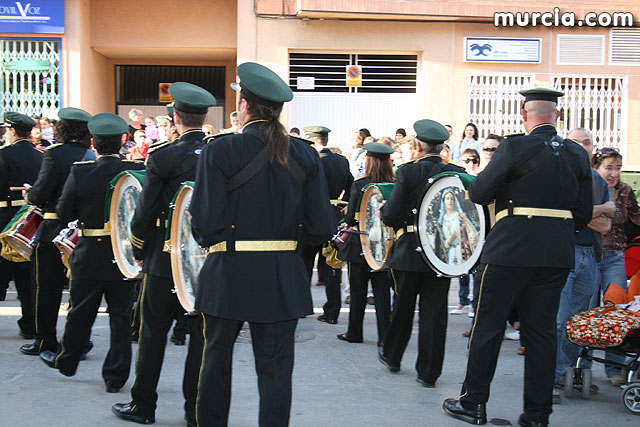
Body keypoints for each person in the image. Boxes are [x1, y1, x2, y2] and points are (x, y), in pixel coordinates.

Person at [190, 62, 333, 426]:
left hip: (228, 271)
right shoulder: (304, 154)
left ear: (245, 107)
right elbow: (320, 226)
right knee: (275, 371)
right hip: (282, 275)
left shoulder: (221, 150)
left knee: (216, 362)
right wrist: (289, 253)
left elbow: (205, 224)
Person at [443, 88, 593, 427]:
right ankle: (538, 416)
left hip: (510, 250)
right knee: (541, 334)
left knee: (488, 327)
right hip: (555, 254)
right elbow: (583, 213)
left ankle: (473, 404)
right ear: (556, 117)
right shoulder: (576, 153)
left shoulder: (514, 145)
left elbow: (480, 192)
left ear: (524, 116)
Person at [112, 82, 215, 426]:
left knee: (153, 333)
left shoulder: (162, 156)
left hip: (163, 258)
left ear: (176, 118)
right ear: (203, 118)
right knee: (201, 338)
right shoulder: (220, 154)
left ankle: (143, 405)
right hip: (207, 259)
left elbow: (144, 213)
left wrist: (137, 249)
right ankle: (194, 410)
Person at [38, 113, 144, 391]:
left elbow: (64, 212)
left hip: (89, 252)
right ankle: (115, 376)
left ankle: (68, 361)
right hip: (123, 255)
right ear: (123, 140)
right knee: (121, 316)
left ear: (94, 142)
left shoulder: (81, 171)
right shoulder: (135, 170)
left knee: (80, 310)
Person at [378, 119, 466, 388]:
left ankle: (393, 356)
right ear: (443, 147)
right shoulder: (456, 172)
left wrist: (383, 209)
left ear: (418, 146)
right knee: (435, 315)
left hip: (409, 252)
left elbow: (391, 215)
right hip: (441, 253)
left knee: (402, 308)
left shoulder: (408, 173)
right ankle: (429, 373)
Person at [19, 108, 95, 357]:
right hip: (80, 232)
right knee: (79, 291)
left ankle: (46, 342)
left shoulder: (54, 155)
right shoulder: (91, 155)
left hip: (52, 229)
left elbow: (40, 194)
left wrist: (29, 193)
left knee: (48, 289)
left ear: (62, 129)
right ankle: (78, 343)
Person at [552, 128, 615, 402]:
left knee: (579, 322)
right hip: (564, 254)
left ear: (593, 148)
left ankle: (570, 371)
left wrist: (584, 214)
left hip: (591, 255)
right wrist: (599, 209)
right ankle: (553, 374)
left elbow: (604, 226)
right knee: (558, 320)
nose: (583, 147)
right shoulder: (558, 177)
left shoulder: (598, 181)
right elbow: (565, 217)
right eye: (577, 142)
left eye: (587, 142)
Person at [589, 146, 640, 386]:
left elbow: (637, 217)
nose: (613, 174)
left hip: (615, 257)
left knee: (617, 312)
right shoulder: (588, 187)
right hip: (588, 254)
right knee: (586, 311)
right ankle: (581, 365)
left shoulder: (625, 191)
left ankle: (614, 368)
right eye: (608, 168)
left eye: (617, 168)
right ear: (596, 168)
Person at [337, 141, 394, 346]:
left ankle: (355, 332)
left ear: (369, 162)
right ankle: (384, 336)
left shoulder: (360, 185)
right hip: (384, 245)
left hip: (360, 244)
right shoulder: (394, 185)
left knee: (358, 291)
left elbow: (351, 219)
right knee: (382, 293)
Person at [301, 125, 353, 325]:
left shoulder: (307, 159)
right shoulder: (341, 161)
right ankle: (332, 311)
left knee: (304, 263)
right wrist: (342, 206)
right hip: (332, 216)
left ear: (311, 141)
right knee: (332, 266)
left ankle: (303, 306)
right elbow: (350, 185)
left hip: (309, 216)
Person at [0, 112, 43, 340]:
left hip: (5, 215)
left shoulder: (3, 155)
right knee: (27, 277)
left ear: (13, 131)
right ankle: (29, 325)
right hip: (30, 218)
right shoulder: (41, 157)